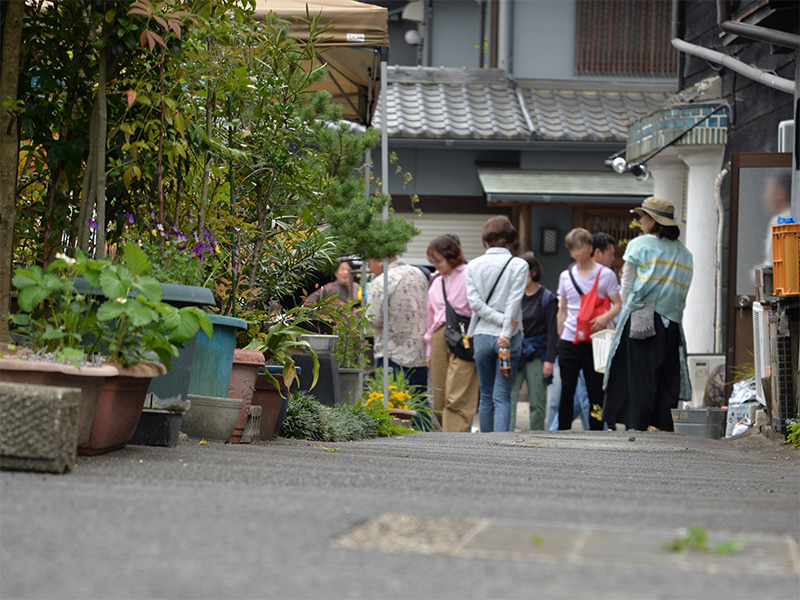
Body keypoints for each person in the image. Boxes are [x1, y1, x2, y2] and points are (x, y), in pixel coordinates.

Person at [603, 197, 694, 431]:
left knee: (638, 375)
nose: (641, 221)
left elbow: (627, 284)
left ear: (653, 220)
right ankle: (662, 425)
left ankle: (637, 424)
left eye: (643, 216)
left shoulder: (640, 245)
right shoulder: (685, 253)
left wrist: (630, 305)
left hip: (642, 317)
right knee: (666, 374)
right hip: (671, 322)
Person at [466, 216, 528, 432]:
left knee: (485, 395)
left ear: (486, 238)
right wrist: (506, 328)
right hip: (507, 338)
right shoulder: (519, 265)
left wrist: (497, 320)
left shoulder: (473, 265)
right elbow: (514, 302)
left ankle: (485, 443)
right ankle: (501, 443)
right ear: (510, 237)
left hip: (482, 335)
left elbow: (475, 303)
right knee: (502, 396)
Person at [556, 228, 622, 430]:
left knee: (596, 391)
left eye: (581, 246)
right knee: (567, 388)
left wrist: (605, 317)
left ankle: (596, 430)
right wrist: (560, 335)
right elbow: (563, 308)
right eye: (573, 248)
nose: (577, 251)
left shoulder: (605, 275)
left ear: (590, 247)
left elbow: (618, 303)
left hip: (596, 339)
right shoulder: (565, 276)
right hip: (570, 338)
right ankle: (562, 430)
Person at [425, 235, 479, 432]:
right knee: (439, 396)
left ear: (451, 256)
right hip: (439, 336)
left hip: (464, 335)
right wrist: (429, 350)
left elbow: (477, 309)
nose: (435, 265)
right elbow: (430, 317)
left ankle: (451, 440)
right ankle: (450, 434)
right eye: (432, 261)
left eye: (438, 260)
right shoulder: (436, 281)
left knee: (458, 394)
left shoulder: (469, 274)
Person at [508, 252, 558, 431]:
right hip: (515, 350)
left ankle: (537, 437)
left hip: (537, 352)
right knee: (509, 397)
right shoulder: (513, 296)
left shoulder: (547, 298)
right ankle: (504, 435)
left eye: (523, 273)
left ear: (534, 271)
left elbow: (552, 332)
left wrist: (549, 360)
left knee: (537, 400)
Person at [365, 256, 428, 389]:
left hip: (392, 353)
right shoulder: (419, 274)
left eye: (370, 263)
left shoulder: (381, 281)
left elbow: (372, 318)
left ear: (379, 260)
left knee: (391, 398)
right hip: (420, 353)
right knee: (419, 397)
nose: (370, 268)